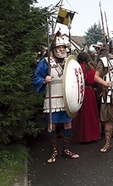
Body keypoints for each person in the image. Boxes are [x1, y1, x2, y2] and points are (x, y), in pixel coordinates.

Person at [32, 32, 79, 163]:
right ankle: (54, 152)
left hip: (66, 99)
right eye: (59, 48)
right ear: (53, 50)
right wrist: (43, 79)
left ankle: (66, 149)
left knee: (68, 124)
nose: (62, 50)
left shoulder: (70, 62)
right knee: (51, 125)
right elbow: (35, 77)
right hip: (52, 98)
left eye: (63, 47)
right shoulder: (45, 62)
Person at [72, 52, 101, 143]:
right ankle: (92, 135)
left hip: (79, 92)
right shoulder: (91, 69)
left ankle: (80, 136)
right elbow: (95, 82)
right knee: (90, 113)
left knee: (80, 114)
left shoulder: (76, 68)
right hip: (89, 93)